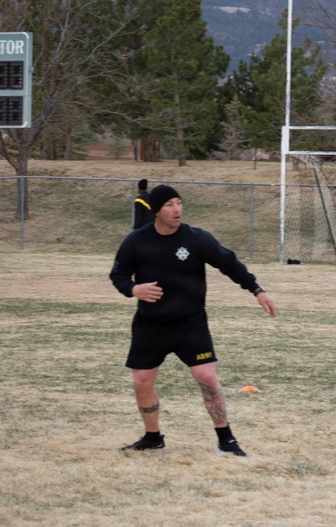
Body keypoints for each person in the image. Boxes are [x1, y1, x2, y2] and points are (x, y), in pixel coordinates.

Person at [109, 184, 276, 456]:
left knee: (206, 376)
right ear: (156, 211)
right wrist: (133, 289)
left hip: (190, 324)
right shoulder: (136, 241)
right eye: (170, 205)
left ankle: (226, 441)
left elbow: (230, 265)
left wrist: (257, 290)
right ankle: (153, 438)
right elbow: (118, 275)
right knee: (141, 382)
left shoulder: (197, 239)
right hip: (150, 325)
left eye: (179, 203)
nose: (177, 209)